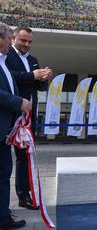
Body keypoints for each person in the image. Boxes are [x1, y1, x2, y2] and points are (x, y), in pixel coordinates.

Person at [6, 27, 53, 210]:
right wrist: (32, 75)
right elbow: (9, 77)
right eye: (23, 40)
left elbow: (40, 87)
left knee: (25, 157)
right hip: (11, 114)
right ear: (13, 39)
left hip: (29, 117)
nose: (27, 44)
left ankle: (24, 196)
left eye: (30, 41)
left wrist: (43, 78)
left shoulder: (33, 60)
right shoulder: (6, 56)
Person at [0, 22, 31, 229]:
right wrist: (18, 102)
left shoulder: (3, 61)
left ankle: (3, 217)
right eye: (10, 37)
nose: (11, 42)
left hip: (5, 131)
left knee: (3, 173)